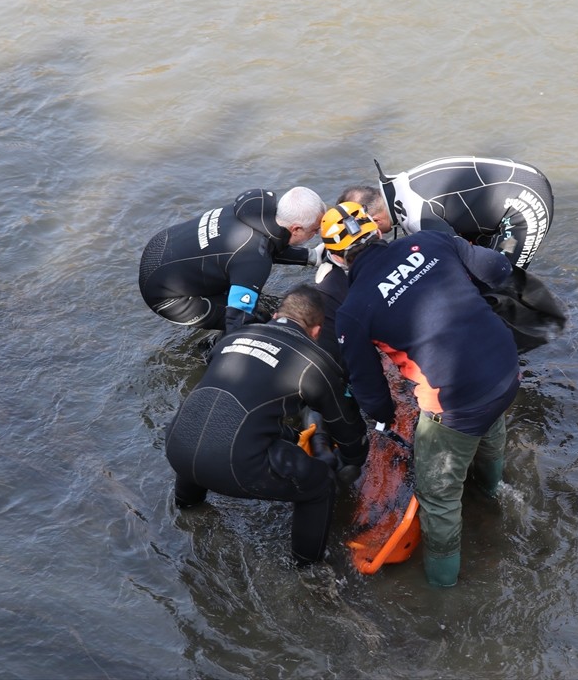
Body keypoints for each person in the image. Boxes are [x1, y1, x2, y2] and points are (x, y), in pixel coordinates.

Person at [321, 202, 520, 587]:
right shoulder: (430, 241)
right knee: (490, 421)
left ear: (335, 256)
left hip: (454, 401)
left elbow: (369, 387)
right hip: (505, 367)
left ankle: (443, 590)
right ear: (378, 230)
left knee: (439, 497)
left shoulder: (353, 310)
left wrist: (382, 417)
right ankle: (494, 492)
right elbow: (498, 269)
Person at [163, 285, 369, 565]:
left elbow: (232, 402)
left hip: (177, 444)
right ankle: (307, 569)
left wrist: (292, 434)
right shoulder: (312, 361)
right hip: (233, 464)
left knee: (206, 422)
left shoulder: (232, 338)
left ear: (275, 315)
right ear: (317, 331)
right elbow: (346, 425)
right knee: (320, 484)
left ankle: (187, 507)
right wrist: (353, 459)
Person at [138, 187, 326, 337]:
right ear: (296, 229)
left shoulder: (255, 207)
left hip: (161, 246)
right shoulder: (254, 259)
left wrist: (311, 257)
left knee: (240, 278)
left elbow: (266, 247)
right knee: (260, 320)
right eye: (314, 230)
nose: (316, 234)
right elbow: (237, 320)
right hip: (164, 295)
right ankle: (206, 353)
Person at [341, 156, 554, 269]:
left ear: (376, 220)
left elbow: (458, 258)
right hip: (516, 179)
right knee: (482, 261)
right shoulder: (397, 186)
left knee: (501, 278)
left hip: (525, 205)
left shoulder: (416, 216)